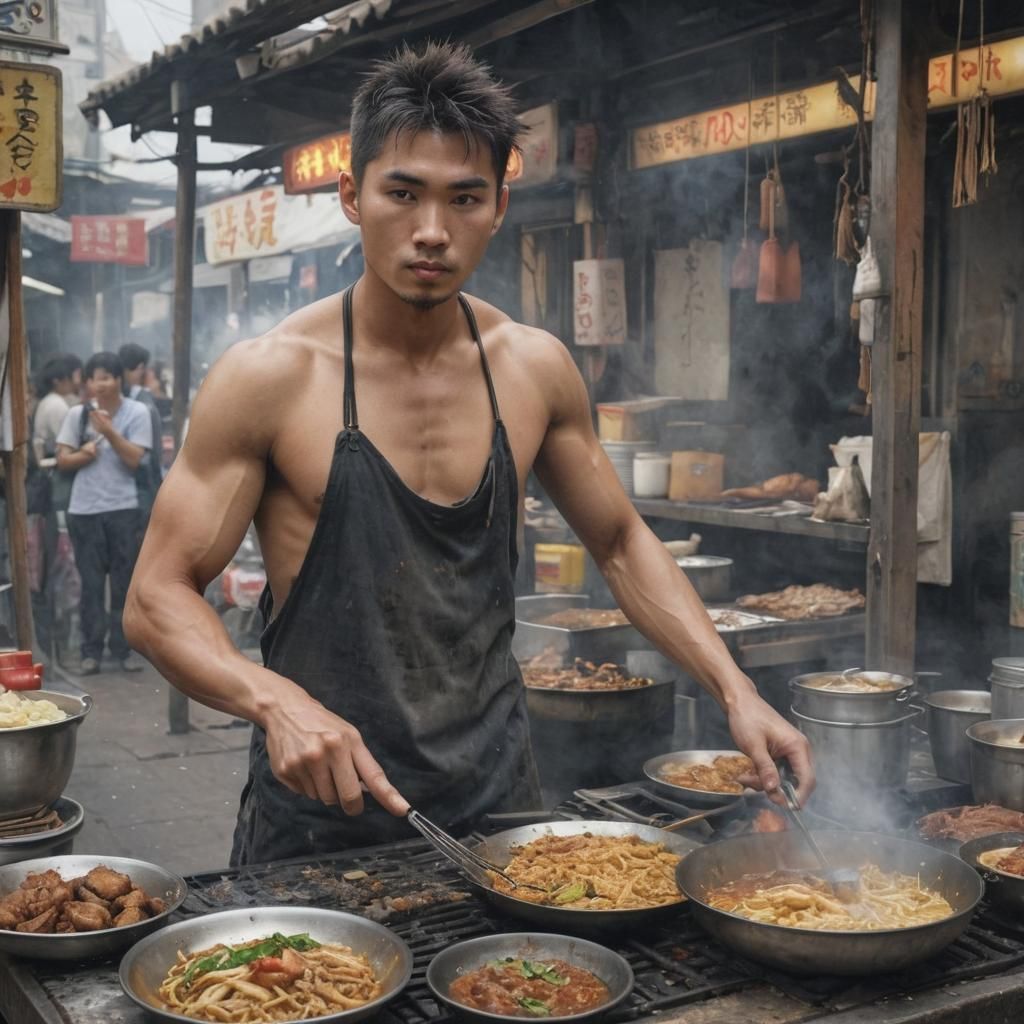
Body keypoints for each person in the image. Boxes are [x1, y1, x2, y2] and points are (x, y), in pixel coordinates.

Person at [125, 42, 814, 866]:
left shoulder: (533, 368)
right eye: (402, 193)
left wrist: (737, 691)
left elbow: (622, 543)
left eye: (463, 200)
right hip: (318, 816)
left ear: (498, 208)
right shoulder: (269, 377)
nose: (431, 231)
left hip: (498, 806)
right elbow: (156, 596)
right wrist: (272, 701)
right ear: (352, 195)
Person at [57, 352, 152, 675]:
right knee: (92, 585)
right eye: (96, 377)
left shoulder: (136, 412)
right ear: (87, 382)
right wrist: (84, 454)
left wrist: (109, 432)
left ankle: (123, 650)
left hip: (123, 508)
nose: (102, 383)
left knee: (124, 584)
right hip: (84, 510)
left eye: (108, 376)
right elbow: (63, 460)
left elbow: (136, 460)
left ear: (118, 380)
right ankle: (91, 652)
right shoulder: (76, 415)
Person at [118, 342, 165, 518]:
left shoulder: (118, 399)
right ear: (141, 368)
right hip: (141, 486)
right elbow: (153, 454)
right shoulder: (145, 404)